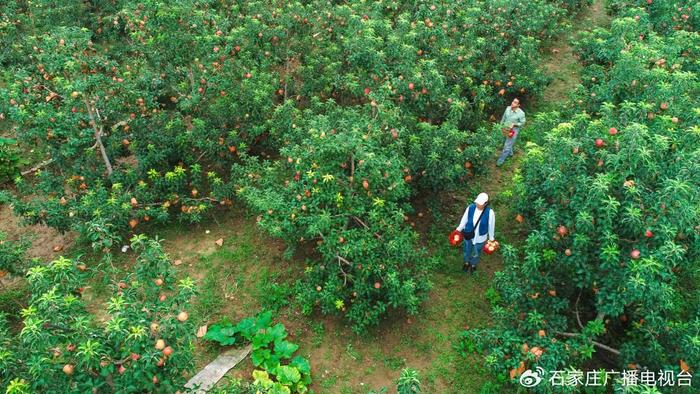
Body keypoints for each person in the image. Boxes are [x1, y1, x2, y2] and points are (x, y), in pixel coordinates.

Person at [456, 192, 495, 275]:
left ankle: (473, 264)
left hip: (480, 237)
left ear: (485, 204)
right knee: (467, 249)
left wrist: (491, 238)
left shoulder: (490, 212)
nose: (478, 205)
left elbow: (491, 226)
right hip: (468, 234)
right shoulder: (470, 208)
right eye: (477, 203)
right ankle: (466, 262)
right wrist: (458, 230)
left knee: (477, 251)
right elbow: (464, 220)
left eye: (480, 204)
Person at [497, 98, 526, 166]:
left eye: (515, 102)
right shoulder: (508, 108)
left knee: (506, 146)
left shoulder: (521, 113)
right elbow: (503, 118)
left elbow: (523, 123)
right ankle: (510, 153)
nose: (513, 103)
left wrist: (515, 124)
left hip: (513, 130)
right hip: (505, 127)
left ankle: (500, 160)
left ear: (518, 105)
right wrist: (500, 126)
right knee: (505, 141)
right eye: (513, 101)